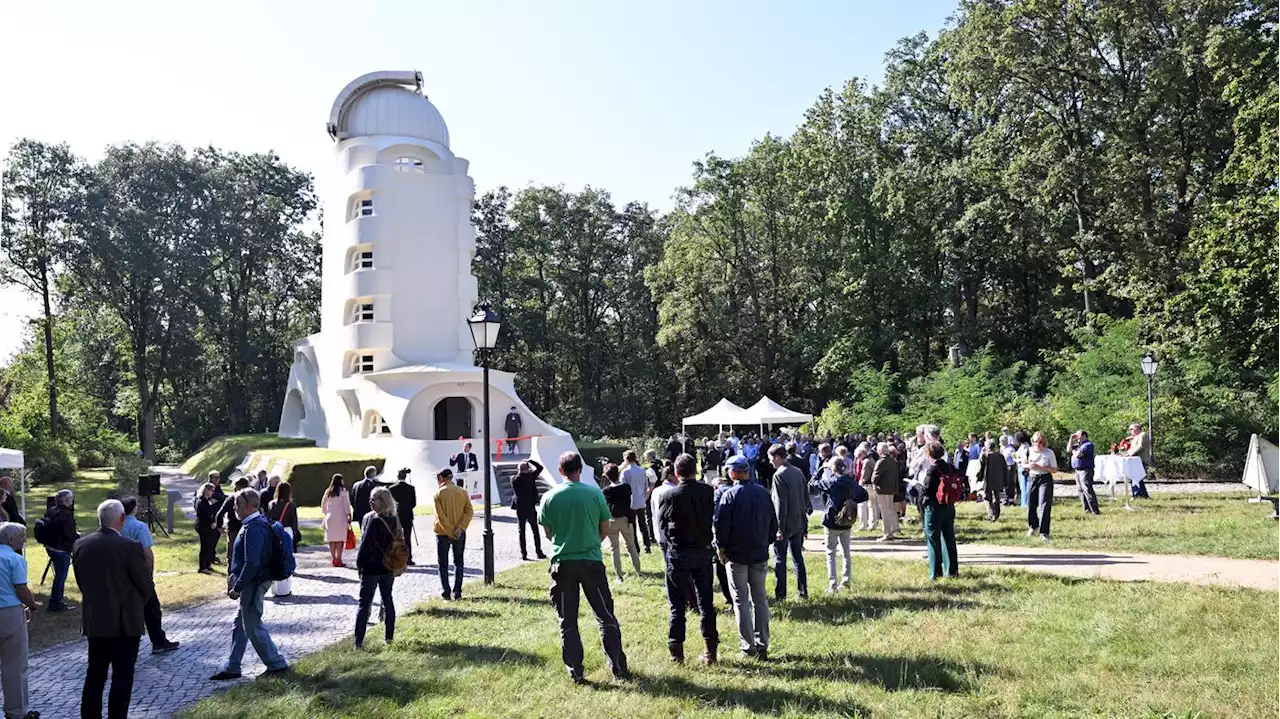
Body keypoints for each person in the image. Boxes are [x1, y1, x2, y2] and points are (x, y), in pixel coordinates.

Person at [537, 452, 629, 684]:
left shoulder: (549, 497)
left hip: (563, 563)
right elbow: (604, 527)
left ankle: (576, 670)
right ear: (580, 469)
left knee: (568, 619)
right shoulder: (594, 493)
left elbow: (548, 532)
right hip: (591, 561)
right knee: (605, 615)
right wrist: (592, 543)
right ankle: (617, 665)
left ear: (560, 471)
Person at [72, 499, 153, 719]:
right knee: (122, 676)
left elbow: (82, 582)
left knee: (95, 675)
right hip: (124, 623)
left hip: (95, 619)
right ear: (122, 518)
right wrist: (136, 603)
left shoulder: (81, 544)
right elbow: (145, 585)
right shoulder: (129, 546)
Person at [210, 488, 289, 681]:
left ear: (246, 506)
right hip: (252, 581)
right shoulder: (256, 523)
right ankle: (233, 665)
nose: (235, 509)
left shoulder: (254, 527)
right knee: (240, 624)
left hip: (253, 583)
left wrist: (238, 586)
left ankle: (276, 664)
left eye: (237, 505)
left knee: (252, 624)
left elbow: (252, 562)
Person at [714, 455, 777, 661]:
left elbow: (721, 525)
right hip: (759, 553)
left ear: (732, 473)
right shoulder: (762, 493)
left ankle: (748, 646)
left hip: (737, 555)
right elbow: (772, 524)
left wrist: (721, 548)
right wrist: (764, 543)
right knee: (760, 599)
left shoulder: (729, 495)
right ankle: (762, 644)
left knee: (741, 601)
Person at [659, 453, 718, 665]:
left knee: (676, 605)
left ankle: (677, 654)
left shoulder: (670, 495)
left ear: (676, 473)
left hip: (679, 553)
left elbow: (662, 524)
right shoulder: (707, 491)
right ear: (696, 470)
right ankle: (710, 652)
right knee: (706, 603)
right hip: (702, 551)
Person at [119, 497, 180, 654]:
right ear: (134, 508)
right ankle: (158, 641)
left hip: (120, 573)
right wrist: (149, 575)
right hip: (139, 573)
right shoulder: (140, 527)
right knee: (151, 608)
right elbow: (147, 553)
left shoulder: (117, 526)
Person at [0, 523, 39, 719]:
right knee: (14, 664)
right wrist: (32, 605)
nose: (24, 541)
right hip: (9, 613)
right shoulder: (14, 559)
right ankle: (16, 712)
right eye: (22, 537)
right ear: (10, 539)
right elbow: (21, 589)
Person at [354, 487, 401, 649]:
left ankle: (358, 642)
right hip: (388, 566)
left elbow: (365, 546)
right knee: (387, 600)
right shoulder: (394, 519)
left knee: (364, 603)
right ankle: (389, 637)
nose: (371, 502)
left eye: (373, 499)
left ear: (382, 502)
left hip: (372, 568)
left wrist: (359, 565)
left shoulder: (374, 521)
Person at [768, 444, 808, 602]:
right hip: (798, 521)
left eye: (771, 459)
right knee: (798, 558)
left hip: (785, 525)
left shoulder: (779, 475)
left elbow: (780, 504)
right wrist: (804, 524)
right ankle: (803, 591)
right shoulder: (798, 472)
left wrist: (779, 528)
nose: (770, 462)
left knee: (780, 560)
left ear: (777, 457)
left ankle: (780, 595)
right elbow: (805, 499)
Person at [810, 457, 855, 592]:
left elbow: (813, 483)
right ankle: (846, 580)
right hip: (847, 519)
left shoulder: (831, 482)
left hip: (832, 520)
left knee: (831, 553)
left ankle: (833, 584)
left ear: (833, 468)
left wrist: (820, 470)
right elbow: (861, 494)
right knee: (846, 552)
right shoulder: (851, 481)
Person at [921, 442, 961, 580]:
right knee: (949, 538)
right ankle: (952, 571)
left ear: (928, 454)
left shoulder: (933, 469)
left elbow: (926, 489)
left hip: (933, 507)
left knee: (933, 540)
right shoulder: (950, 467)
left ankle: (935, 573)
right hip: (949, 506)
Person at [433, 468, 472, 601]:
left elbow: (440, 516)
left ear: (441, 478)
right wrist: (459, 528)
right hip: (459, 533)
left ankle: (446, 592)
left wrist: (450, 530)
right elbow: (469, 512)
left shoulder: (438, 494)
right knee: (459, 562)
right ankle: (458, 592)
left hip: (442, 533)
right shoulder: (462, 491)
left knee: (443, 564)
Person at [600, 464, 642, 583]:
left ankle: (619, 576)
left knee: (615, 549)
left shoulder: (606, 491)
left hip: (612, 520)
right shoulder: (627, 488)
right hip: (626, 519)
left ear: (607, 477)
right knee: (631, 546)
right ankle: (638, 571)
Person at [39, 489, 77, 613]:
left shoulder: (51, 510)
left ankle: (56, 600)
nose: (72, 500)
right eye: (71, 498)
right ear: (66, 500)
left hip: (50, 547)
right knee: (60, 577)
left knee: (59, 576)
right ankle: (55, 603)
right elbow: (69, 535)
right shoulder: (66, 515)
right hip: (61, 549)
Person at [1025, 432, 1058, 542]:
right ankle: (1033, 525)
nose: (1038, 444)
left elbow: (1054, 469)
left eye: (1040, 442)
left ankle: (1044, 532)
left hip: (1045, 478)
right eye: (1035, 442)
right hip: (1032, 477)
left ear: (1044, 442)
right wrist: (1028, 466)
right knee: (1030, 504)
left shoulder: (1049, 453)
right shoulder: (1028, 451)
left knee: (1044, 504)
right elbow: (1022, 464)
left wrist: (1041, 467)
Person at [618, 451, 653, 554]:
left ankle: (636, 547)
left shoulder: (625, 472)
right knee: (643, 524)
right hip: (641, 500)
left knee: (632, 526)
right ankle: (647, 545)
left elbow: (623, 487)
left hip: (630, 502)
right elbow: (646, 484)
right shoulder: (642, 470)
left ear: (626, 459)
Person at [511, 459, 546, 560]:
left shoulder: (514, 479)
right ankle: (539, 552)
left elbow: (519, 474)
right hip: (530, 506)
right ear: (528, 469)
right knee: (535, 530)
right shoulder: (530, 477)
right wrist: (530, 461)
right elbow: (540, 468)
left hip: (520, 507)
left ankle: (524, 554)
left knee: (521, 531)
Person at [216, 477, 250, 567]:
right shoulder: (251, 499)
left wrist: (220, 526)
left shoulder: (231, 499)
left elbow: (220, 514)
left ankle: (231, 574)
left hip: (233, 529)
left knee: (232, 553)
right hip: (248, 528)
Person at [321, 474, 352, 567]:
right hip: (340, 517)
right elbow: (346, 505)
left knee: (331, 539)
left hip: (330, 517)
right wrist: (349, 515)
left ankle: (334, 558)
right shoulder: (343, 492)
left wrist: (326, 512)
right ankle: (339, 558)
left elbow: (323, 504)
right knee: (340, 540)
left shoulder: (328, 492)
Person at [871, 442, 900, 541]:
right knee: (890, 510)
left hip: (882, 490)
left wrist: (874, 484)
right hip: (891, 489)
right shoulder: (893, 461)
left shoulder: (881, 461)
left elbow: (875, 476)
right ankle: (894, 529)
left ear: (880, 451)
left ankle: (887, 533)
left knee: (885, 512)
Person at [388, 469, 417, 566]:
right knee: (407, 537)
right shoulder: (411, 488)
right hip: (408, 515)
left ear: (398, 476)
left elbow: (390, 504)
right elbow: (413, 503)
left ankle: (395, 557)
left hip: (396, 516)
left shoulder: (391, 488)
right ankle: (409, 558)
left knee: (395, 537)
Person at [650, 464, 679, 553]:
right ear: (670, 476)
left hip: (659, 532)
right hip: (673, 535)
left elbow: (653, 511)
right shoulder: (676, 491)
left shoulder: (656, 491)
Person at [1070, 430, 1100, 515]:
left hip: (1085, 470)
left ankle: (1095, 510)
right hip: (1077, 470)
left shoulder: (1088, 445)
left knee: (1087, 489)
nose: (1076, 437)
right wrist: (1070, 439)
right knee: (1080, 490)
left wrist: (1074, 451)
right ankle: (1087, 509)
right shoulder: (1077, 445)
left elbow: (1079, 455)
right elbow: (1068, 449)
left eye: (1078, 435)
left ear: (1084, 436)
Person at [194, 482, 221, 574]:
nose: (211, 493)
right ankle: (202, 567)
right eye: (210, 490)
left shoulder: (208, 501)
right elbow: (203, 514)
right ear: (205, 490)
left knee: (210, 546)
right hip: (203, 526)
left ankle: (208, 564)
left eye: (212, 491)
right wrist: (211, 522)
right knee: (205, 546)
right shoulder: (201, 501)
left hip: (209, 526)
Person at [976, 439, 1006, 520]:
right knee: (996, 496)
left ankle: (991, 514)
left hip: (988, 479)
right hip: (998, 479)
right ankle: (996, 514)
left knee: (987, 497)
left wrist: (979, 477)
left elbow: (981, 467)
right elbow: (1005, 469)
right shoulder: (1001, 456)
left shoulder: (985, 456)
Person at [267, 482, 300, 547]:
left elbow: (269, 517)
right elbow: (294, 521)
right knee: (287, 551)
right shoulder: (291, 505)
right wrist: (295, 530)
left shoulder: (271, 504)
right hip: (287, 530)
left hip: (274, 530)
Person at [1125, 423, 1153, 498]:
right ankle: (1142, 494)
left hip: (1140, 460)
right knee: (1136, 478)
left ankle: (1137, 494)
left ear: (1137, 428)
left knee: (1136, 477)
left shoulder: (1143, 435)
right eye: (1130, 429)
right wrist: (1125, 454)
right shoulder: (1135, 437)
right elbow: (1132, 449)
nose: (1131, 431)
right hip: (1134, 460)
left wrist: (1130, 454)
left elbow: (1140, 447)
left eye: (1132, 429)